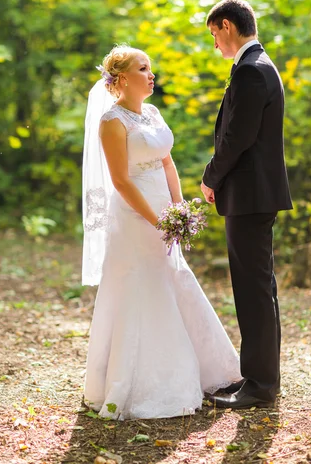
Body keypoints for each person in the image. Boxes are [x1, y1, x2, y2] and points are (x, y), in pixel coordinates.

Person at [81, 45, 241, 420]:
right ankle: (140, 385)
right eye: (143, 68)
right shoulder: (112, 122)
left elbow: (167, 162)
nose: (151, 75)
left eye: (150, 68)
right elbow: (120, 180)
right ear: (121, 80)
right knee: (143, 288)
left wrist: (179, 206)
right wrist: (155, 219)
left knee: (173, 280)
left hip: (165, 213)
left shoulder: (152, 113)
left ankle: (204, 371)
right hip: (135, 216)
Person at [201, 0, 293, 410]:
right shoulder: (256, 66)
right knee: (259, 287)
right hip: (254, 195)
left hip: (250, 195)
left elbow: (238, 137)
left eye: (214, 36)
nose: (215, 45)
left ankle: (259, 385)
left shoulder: (252, 72)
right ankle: (260, 378)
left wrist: (210, 176)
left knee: (253, 289)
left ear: (225, 25)